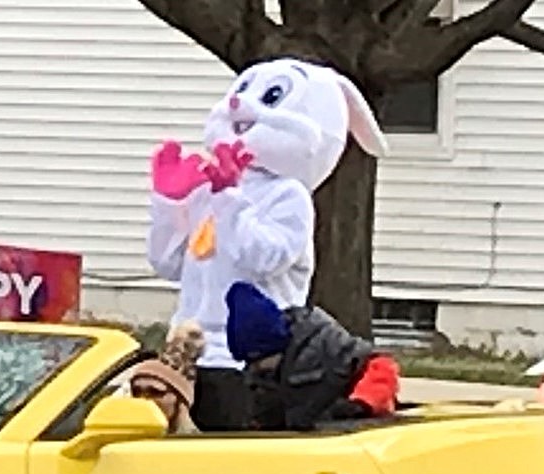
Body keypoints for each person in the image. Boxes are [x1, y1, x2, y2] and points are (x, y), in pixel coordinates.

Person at [145, 57, 389, 432]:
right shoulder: (211, 188)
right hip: (188, 357)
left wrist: (228, 198)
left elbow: (263, 257)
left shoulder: (288, 196)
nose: (239, 105)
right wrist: (167, 204)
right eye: (241, 91)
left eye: (271, 96)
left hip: (250, 366)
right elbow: (170, 263)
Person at [224, 282, 400, 432]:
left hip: (351, 439)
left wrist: (362, 404)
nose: (255, 368)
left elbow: (381, 366)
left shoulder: (327, 345)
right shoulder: (261, 379)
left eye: (257, 361)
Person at [124, 320, 206, 434]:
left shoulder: (196, 448)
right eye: (136, 392)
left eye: (155, 392)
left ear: (179, 400)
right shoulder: (122, 440)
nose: (143, 400)